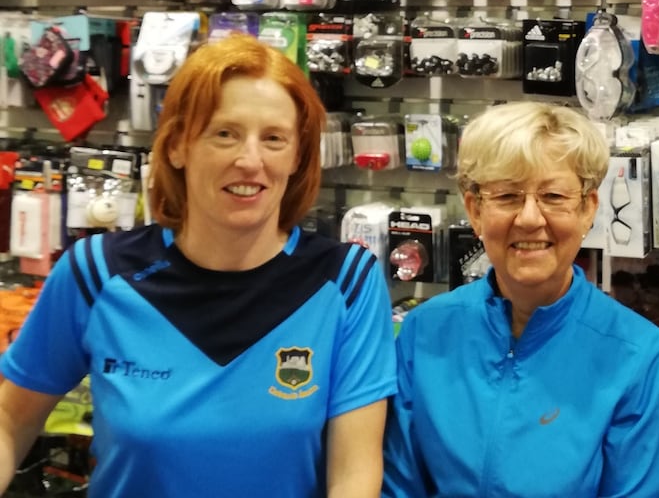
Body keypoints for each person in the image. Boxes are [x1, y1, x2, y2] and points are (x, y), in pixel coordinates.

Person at [0, 34, 397, 497]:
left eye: (273, 139)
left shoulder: (347, 281)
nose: (250, 161)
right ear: (177, 147)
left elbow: (354, 477)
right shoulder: (96, 273)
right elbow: (10, 419)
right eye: (224, 133)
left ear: (297, 157)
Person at [383, 102, 659, 497]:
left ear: (588, 208)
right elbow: (397, 486)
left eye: (553, 195)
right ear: (475, 210)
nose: (529, 218)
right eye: (507, 195)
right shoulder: (424, 332)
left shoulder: (635, 353)